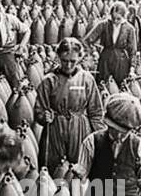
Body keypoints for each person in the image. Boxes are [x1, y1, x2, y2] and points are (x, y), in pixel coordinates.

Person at [34, 38, 104, 179]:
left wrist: (100, 138)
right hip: (55, 129)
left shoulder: (87, 79)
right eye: (65, 61)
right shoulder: (49, 81)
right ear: (59, 57)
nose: (68, 65)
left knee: (80, 169)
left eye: (73, 61)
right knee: (54, 169)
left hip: (80, 129)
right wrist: (44, 116)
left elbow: (96, 112)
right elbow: (39, 110)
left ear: (79, 58)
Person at [83, 1, 137, 87]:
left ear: (123, 17)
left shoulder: (129, 29)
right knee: (103, 86)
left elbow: (132, 51)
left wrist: (132, 69)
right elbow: (87, 40)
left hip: (121, 63)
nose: (115, 21)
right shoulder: (103, 25)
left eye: (118, 19)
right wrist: (93, 52)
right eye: (113, 18)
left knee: (120, 87)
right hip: (105, 61)